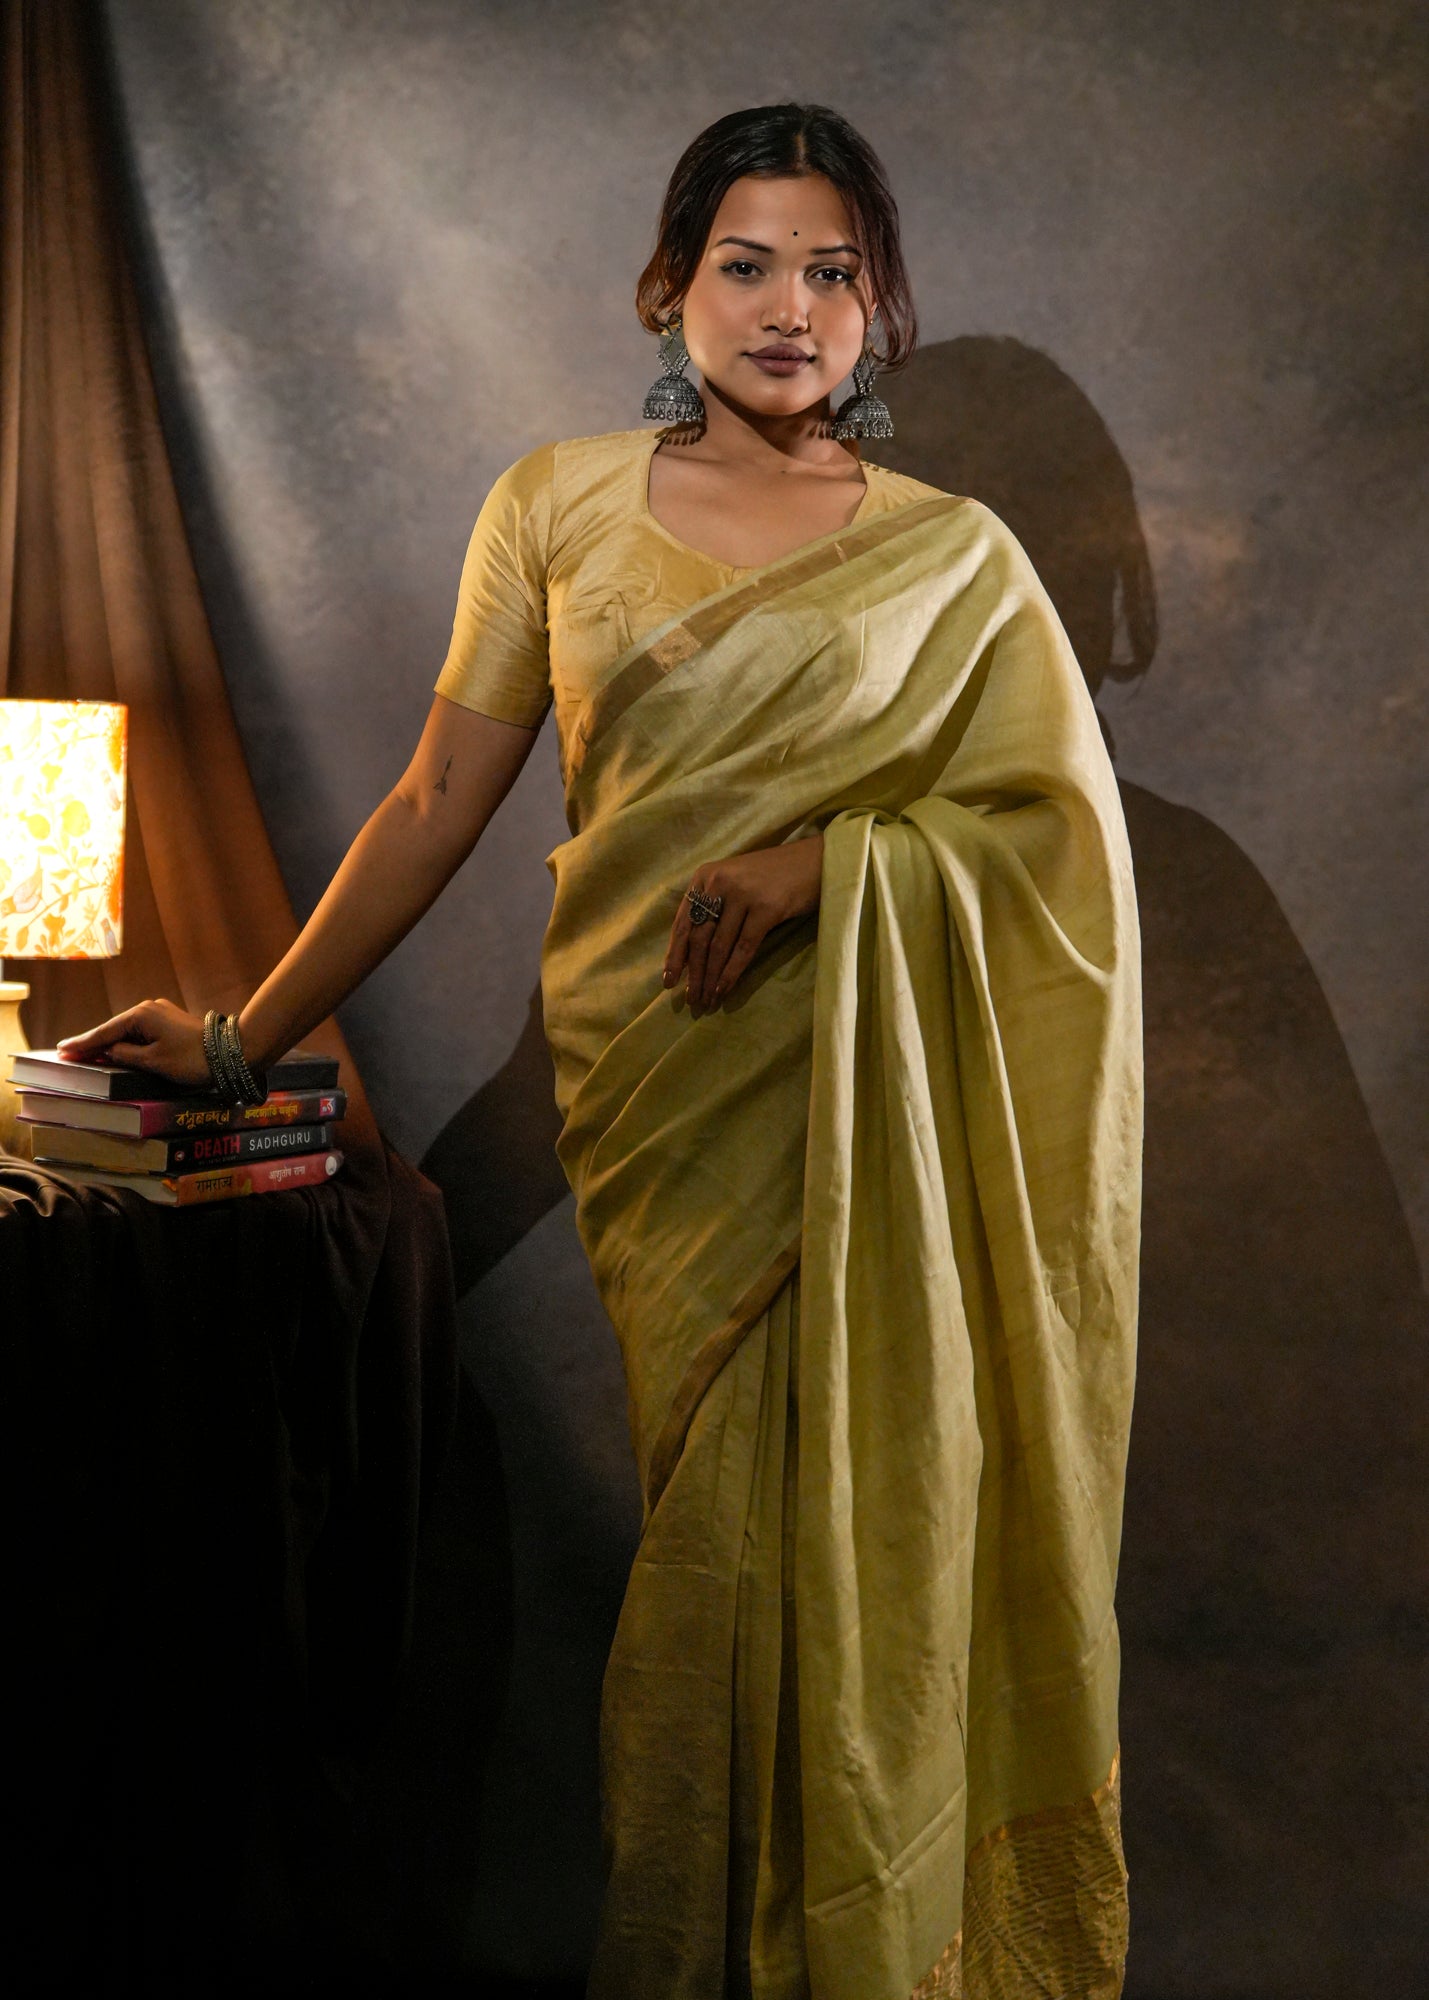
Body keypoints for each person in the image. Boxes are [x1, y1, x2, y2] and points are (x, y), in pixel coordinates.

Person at [61, 103, 1142, 2000]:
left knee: (859, 1564)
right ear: (666, 287)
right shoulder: (552, 507)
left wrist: (831, 866)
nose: (788, 308)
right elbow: (430, 802)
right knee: (718, 1558)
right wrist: (238, 1044)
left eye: (831, 273)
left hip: (866, 1122)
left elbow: (1058, 855)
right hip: (671, 1117)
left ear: (878, 309)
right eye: (746, 264)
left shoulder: (955, 563)